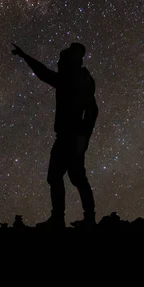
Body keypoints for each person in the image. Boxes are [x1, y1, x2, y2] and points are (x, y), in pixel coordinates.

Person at [11, 42, 98, 230]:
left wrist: (83, 137)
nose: (58, 63)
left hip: (71, 137)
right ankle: (81, 218)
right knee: (71, 177)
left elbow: (44, 73)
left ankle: (66, 218)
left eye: (61, 60)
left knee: (66, 177)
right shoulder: (79, 78)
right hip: (72, 137)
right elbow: (92, 110)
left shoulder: (75, 79)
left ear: (70, 61)